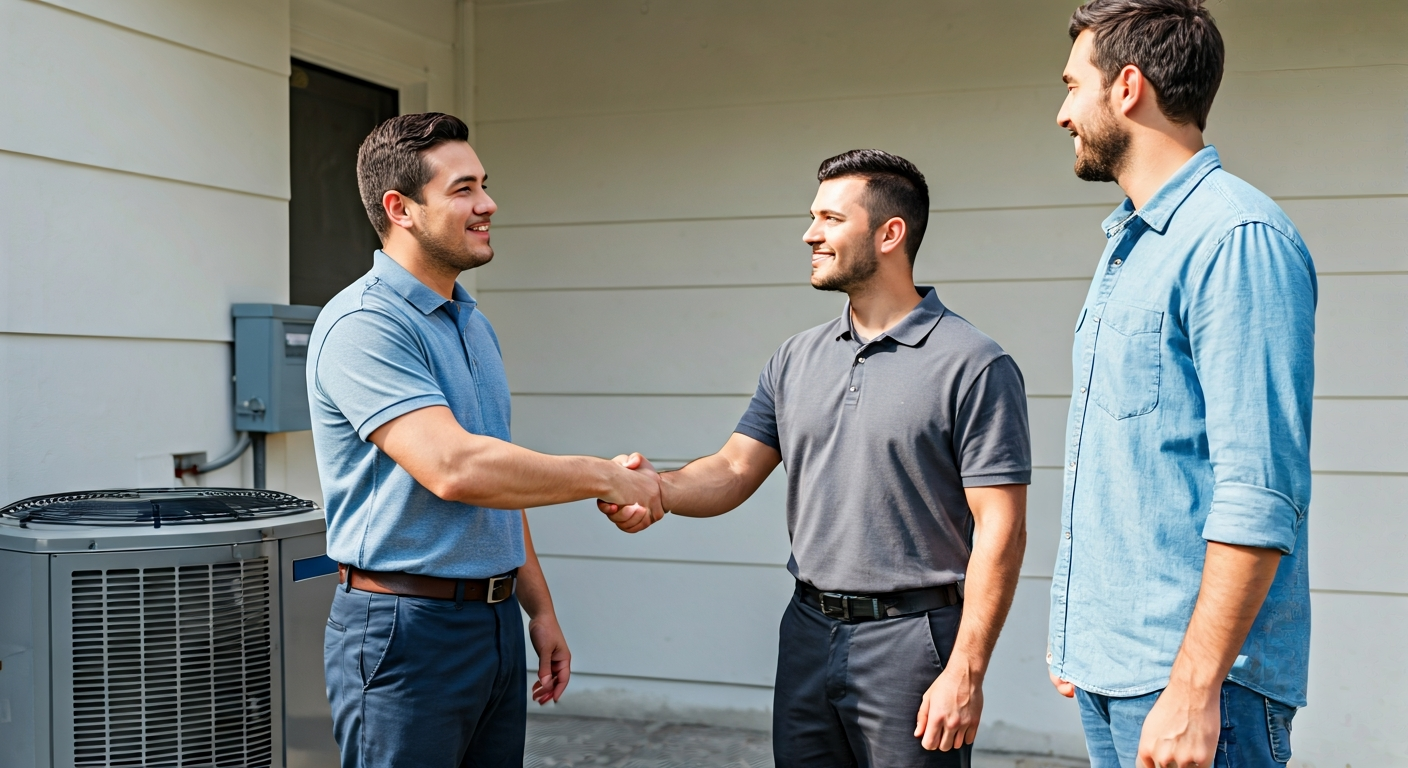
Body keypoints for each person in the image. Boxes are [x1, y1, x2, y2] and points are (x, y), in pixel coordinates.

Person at [602, 150, 1031, 767]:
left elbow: (1003, 527)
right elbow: (731, 469)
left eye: (830, 219)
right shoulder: (795, 358)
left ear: (890, 233)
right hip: (807, 630)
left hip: (912, 642)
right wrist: (657, 489)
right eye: (813, 217)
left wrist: (965, 669)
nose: (810, 234)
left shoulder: (973, 364)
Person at [306, 112, 663, 768]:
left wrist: (538, 609)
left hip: (492, 623)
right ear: (400, 209)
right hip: (404, 630)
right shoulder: (363, 326)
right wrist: (607, 477)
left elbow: (499, 477)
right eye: (464, 189)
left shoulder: (470, 324)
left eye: (485, 185)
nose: (488, 204)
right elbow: (455, 468)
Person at [1046, 2, 1317, 767]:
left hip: (1197, 689)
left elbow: (1259, 492)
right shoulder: (1130, 248)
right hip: (1117, 672)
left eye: (1073, 85)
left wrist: (1195, 689)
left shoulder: (1236, 240)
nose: (1063, 112)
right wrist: (1080, 632)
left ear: (1127, 87)